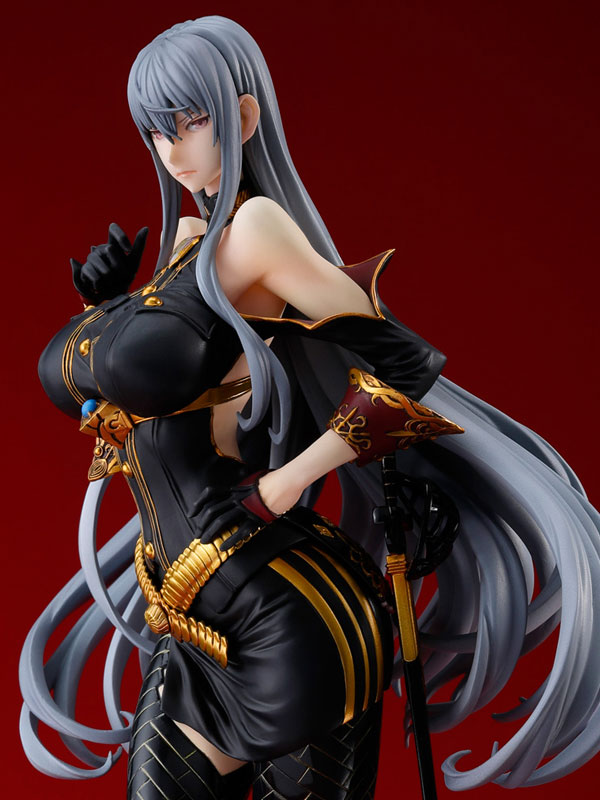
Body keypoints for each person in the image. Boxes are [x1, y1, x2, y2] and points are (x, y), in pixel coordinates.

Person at [19, 14, 600, 798]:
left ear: (243, 116)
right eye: (158, 130)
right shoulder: (186, 248)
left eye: (191, 122)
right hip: (187, 620)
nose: (174, 150)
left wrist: (287, 482)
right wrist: (105, 306)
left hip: (289, 615)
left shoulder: (255, 230)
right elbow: (154, 393)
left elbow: (404, 367)